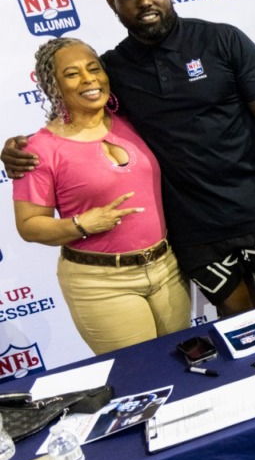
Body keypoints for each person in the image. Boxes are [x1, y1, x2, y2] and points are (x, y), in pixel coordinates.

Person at [2, 0, 255, 316]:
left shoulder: (223, 41)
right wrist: (19, 148)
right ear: (111, 2)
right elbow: (77, 118)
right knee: (242, 331)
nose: (143, 1)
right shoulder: (112, 69)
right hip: (192, 232)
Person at [12, 38, 190, 355]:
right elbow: (29, 225)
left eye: (94, 69)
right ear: (52, 86)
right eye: (72, 73)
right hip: (102, 284)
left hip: (167, 268)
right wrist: (82, 224)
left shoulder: (133, 121)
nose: (89, 79)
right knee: (145, 378)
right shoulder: (38, 149)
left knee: (183, 366)